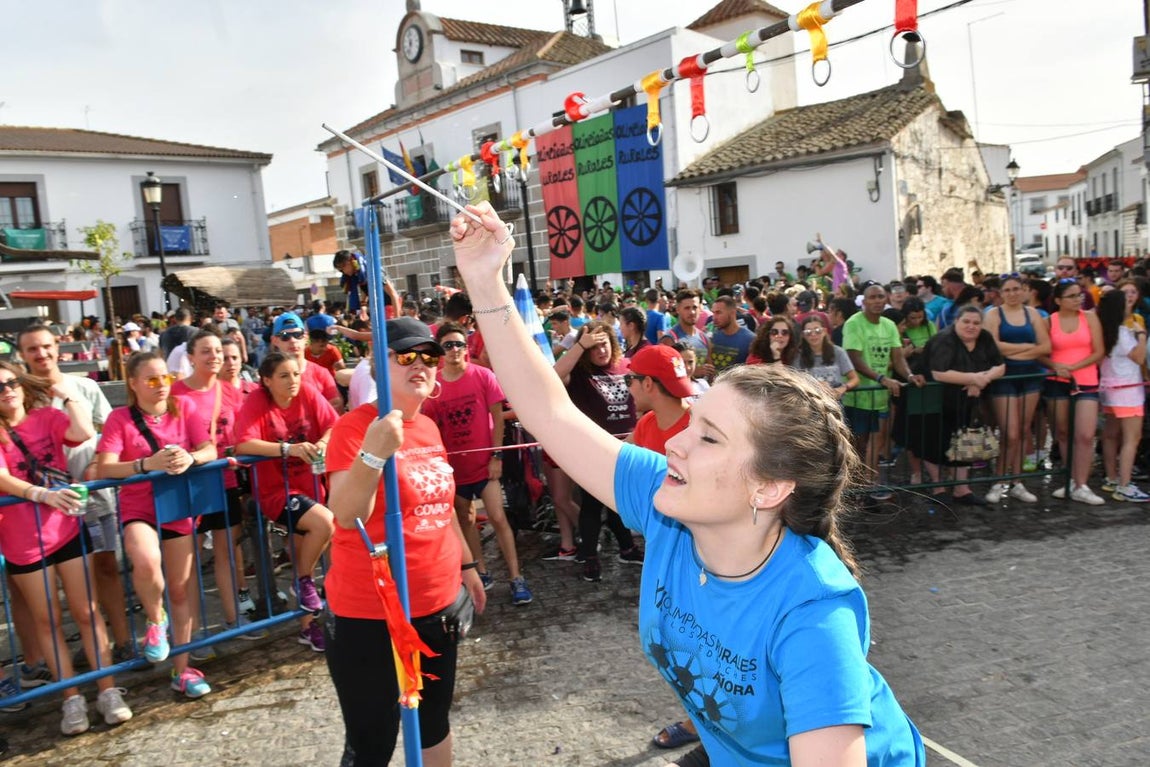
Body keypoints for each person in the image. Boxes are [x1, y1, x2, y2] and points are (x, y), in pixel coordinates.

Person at [450, 202, 926, 767]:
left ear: (770, 488)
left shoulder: (813, 614)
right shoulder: (665, 503)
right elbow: (549, 413)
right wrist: (484, 278)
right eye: (694, 423)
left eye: (710, 438)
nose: (674, 442)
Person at [324, 317, 487, 766]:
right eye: (406, 355)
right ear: (379, 365)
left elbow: (441, 509)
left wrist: (468, 567)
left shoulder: (430, 429)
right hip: (369, 614)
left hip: (436, 605)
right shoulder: (355, 429)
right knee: (372, 739)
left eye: (429, 356)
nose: (422, 364)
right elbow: (345, 514)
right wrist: (374, 452)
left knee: (433, 722)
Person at [0, 363, 133, 734]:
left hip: (66, 531)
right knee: (48, 621)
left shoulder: (46, 416)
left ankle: (108, 690)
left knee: (88, 612)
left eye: (11, 382)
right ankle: (70, 698)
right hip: (23, 541)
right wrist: (41, 494)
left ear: (22, 385)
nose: (7, 390)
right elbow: (2, 476)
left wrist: (67, 393)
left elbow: (83, 431)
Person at [96, 352, 216, 698]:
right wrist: (145, 464)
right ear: (132, 384)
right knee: (146, 561)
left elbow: (209, 448)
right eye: (151, 380)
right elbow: (105, 467)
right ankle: (154, 619)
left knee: (179, 589)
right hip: (139, 508)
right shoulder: (120, 418)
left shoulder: (184, 408)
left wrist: (190, 457)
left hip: (177, 506)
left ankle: (182, 669)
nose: (161, 385)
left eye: (165, 377)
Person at [423, 322, 532, 605]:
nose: (455, 350)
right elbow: (430, 427)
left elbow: (497, 419)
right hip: (454, 471)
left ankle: (516, 577)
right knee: (466, 520)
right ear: (439, 351)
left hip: (485, 465)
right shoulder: (433, 387)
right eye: (448, 345)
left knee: (498, 517)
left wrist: (496, 456)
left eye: (459, 344)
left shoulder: (483, 376)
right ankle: (481, 571)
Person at [235, 352, 338, 650]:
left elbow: (333, 425)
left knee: (301, 550)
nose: (293, 380)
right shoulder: (257, 400)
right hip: (276, 492)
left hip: (311, 488)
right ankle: (303, 581)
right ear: (266, 381)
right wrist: (287, 449)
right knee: (324, 524)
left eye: (295, 374)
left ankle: (309, 627)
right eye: (284, 375)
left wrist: (322, 443)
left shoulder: (306, 391)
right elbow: (243, 442)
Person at [170, 330, 262, 637]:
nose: (214, 357)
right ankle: (192, 632)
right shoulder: (176, 394)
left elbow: (241, 431)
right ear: (191, 357)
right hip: (188, 483)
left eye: (217, 352)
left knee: (226, 550)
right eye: (206, 351)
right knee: (189, 561)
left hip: (225, 478)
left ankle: (233, 619)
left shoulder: (229, 391)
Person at [554, 321, 642, 582]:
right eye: (595, 346)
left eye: (604, 343)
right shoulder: (579, 374)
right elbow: (554, 376)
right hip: (593, 448)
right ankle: (590, 556)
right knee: (592, 504)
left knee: (619, 503)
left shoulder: (625, 366)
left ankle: (627, 548)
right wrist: (581, 345)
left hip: (628, 447)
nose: (601, 350)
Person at [911, 306, 1006, 505]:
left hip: (964, 400)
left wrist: (983, 379)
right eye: (966, 322)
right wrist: (972, 378)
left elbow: (1000, 366)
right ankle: (938, 487)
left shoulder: (985, 338)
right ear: (956, 321)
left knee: (964, 440)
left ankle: (962, 488)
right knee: (933, 442)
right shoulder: (943, 339)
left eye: (976, 323)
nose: (971, 326)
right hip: (931, 397)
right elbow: (939, 373)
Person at [842, 283, 925, 500]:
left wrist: (908, 376)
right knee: (859, 443)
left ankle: (870, 484)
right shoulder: (854, 323)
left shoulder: (889, 325)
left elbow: (897, 358)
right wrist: (881, 378)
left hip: (880, 396)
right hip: (858, 395)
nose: (877, 301)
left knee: (877, 441)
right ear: (864, 301)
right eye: (873, 297)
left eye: (881, 297)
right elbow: (854, 358)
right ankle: (855, 485)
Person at [982, 275, 1050, 504]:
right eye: (1007, 290)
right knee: (1009, 432)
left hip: (1030, 377)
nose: (1012, 293)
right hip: (1005, 378)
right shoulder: (993, 314)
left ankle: (1017, 481)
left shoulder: (1033, 314)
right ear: (1001, 293)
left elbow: (1045, 347)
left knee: (1022, 431)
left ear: (1024, 290)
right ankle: (999, 480)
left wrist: (1014, 351)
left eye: (1016, 289)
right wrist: (1027, 347)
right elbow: (993, 346)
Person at [1038, 279, 1105, 505]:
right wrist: (1056, 366)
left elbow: (1099, 351)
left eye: (1079, 295)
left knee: (1085, 435)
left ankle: (1082, 484)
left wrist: (1072, 368)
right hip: (1056, 381)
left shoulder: (1090, 317)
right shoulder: (1049, 322)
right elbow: (1041, 353)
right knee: (1064, 433)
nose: (1078, 299)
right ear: (1058, 301)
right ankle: (1071, 480)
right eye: (1072, 296)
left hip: (1085, 381)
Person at [1097, 289, 1150, 502]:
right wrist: (1142, 335)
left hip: (1110, 388)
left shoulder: (1104, 329)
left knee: (1110, 435)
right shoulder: (1123, 332)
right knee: (1131, 438)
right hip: (1128, 390)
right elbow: (1138, 358)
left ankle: (1111, 478)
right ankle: (1125, 484)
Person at [270, 311, 343, 412]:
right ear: (274, 341)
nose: (293, 340)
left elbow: (336, 410)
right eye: (285, 336)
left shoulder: (321, 374)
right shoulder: (269, 378)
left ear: (305, 337)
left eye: (297, 334)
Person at [792, 315, 859, 400]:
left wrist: (843, 388)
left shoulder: (838, 352)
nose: (813, 335)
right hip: (811, 405)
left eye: (817, 331)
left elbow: (854, 378)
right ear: (803, 335)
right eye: (808, 332)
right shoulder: (798, 356)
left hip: (836, 404)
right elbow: (795, 382)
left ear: (824, 331)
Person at [705, 295, 755, 375]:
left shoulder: (750, 339)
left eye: (718, 313)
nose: (714, 317)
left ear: (732, 313)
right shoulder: (713, 336)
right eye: (713, 313)